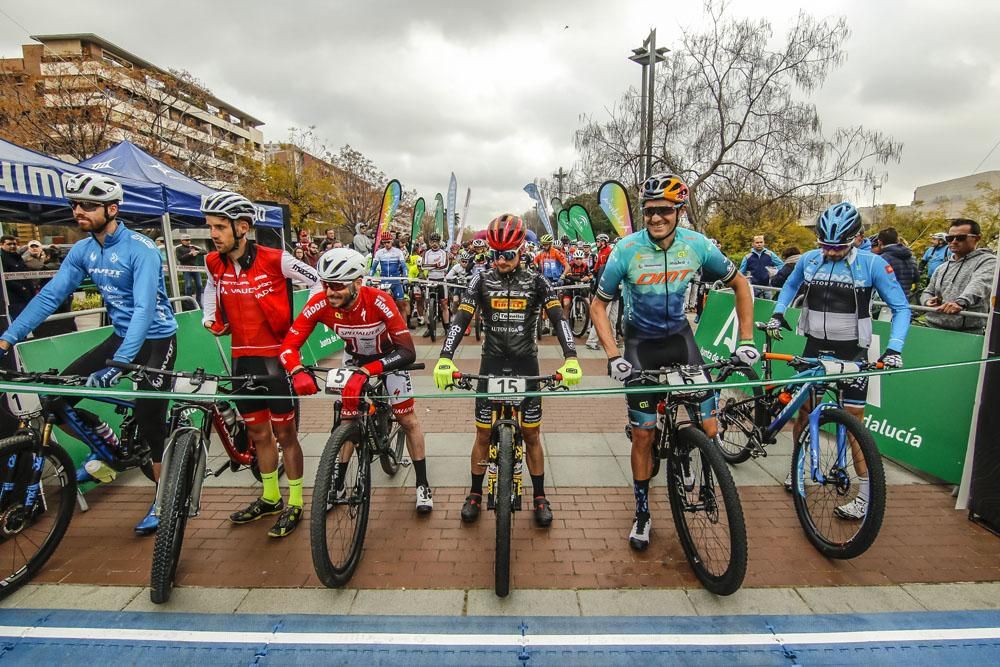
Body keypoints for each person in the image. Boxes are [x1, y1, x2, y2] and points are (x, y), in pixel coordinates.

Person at [0, 173, 178, 535]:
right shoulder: (83, 250)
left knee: (149, 416)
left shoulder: (141, 249)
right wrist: (7, 339)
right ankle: (105, 448)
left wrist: (118, 366)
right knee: (56, 398)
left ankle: (164, 498)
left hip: (157, 338)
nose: (78, 211)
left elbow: (144, 311)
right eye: (74, 205)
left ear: (112, 209)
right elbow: (50, 296)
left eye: (87, 205)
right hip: (119, 336)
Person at [590, 173, 758, 551]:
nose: (656, 218)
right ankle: (643, 512)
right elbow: (598, 306)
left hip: (682, 341)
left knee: (710, 425)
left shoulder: (698, 245)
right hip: (640, 346)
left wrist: (746, 341)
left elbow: (741, 285)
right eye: (649, 211)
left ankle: (702, 468)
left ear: (679, 210)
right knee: (645, 435)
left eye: (664, 210)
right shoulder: (626, 250)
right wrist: (614, 356)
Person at [764, 201, 911, 520]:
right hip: (814, 345)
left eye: (838, 247)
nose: (830, 252)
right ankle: (798, 467)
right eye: (824, 245)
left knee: (854, 420)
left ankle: (866, 495)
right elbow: (790, 285)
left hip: (853, 351)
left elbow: (901, 308)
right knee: (803, 411)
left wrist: (895, 348)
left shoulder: (873, 264)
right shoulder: (809, 259)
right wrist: (778, 313)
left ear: (857, 237)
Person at [433, 214, 582, 527]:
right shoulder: (481, 280)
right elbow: (460, 318)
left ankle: (540, 495)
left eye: (508, 255)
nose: (500, 261)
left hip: (526, 364)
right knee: (483, 434)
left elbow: (559, 320)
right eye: (495, 255)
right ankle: (474, 492)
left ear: (521, 251)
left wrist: (571, 357)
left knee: (531, 434)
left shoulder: (537, 281)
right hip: (492, 364)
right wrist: (445, 356)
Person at [201, 191, 320, 538]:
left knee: (286, 435)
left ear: (243, 227)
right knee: (257, 433)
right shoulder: (214, 262)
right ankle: (270, 497)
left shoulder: (277, 258)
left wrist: (300, 328)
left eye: (220, 227)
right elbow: (210, 288)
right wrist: (210, 316)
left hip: (274, 359)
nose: (214, 234)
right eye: (211, 227)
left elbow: (318, 282)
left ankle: (295, 501)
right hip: (242, 359)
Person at [280, 248, 433, 512]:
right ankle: (337, 482)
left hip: (388, 358)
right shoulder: (320, 302)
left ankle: (422, 484)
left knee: (407, 419)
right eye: (327, 284)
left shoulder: (379, 300)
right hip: (353, 360)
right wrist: (296, 370)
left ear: (357, 283)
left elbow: (408, 351)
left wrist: (370, 370)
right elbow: (288, 346)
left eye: (338, 286)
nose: (330, 292)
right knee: (347, 419)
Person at [919, 218, 996, 334]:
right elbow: (927, 291)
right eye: (949, 238)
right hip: (931, 327)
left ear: (977, 238)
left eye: (960, 238)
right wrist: (927, 301)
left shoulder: (988, 261)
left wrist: (960, 302)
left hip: (966, 333)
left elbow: (980, 284)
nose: (953, 241)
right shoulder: (942, 267)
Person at [370, 230, 410, 321]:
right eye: (384, 243)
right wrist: (369, 278)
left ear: (392, 241)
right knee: (382, 306)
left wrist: (405, 278)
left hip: (395, 281)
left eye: (388, 242)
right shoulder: (379, 252)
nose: (386, 244)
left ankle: (404, 326)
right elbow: (373, 268)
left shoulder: (398, 252)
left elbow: (404, 267)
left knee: (401, 305)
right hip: (384, 281)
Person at [421, 233, 451, 337]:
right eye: (432, 241)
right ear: (429, 242)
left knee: (444, 304)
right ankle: (429, 328)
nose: (434, 244)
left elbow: (445, 266)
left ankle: (447, 327)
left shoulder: (444, 253)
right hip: (430, 279)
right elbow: (423, 266)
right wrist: (435, 265)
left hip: (441, 279)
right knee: (427, 305)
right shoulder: (426, 253)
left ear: (439, 242)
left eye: (436, 241)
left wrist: (431, 266)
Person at [1, 235, 35, 321]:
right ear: (1, 244)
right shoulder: (2, 259)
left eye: (14, 244)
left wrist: (31, 289)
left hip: (26, 295)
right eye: (9, 244)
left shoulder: (18, 257)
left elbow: (26, 274)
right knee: (19, 320)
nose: (12, 246)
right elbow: (5, 279)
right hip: (13, 298)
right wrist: (21, 288)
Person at [875, 228, 917, 296]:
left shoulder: (882, 259)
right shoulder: (911, 257)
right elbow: (916, 278)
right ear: (897, 240)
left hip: (887, 300)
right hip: (906, 298)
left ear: (880, 242)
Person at [175, 233, 205, 304]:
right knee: (188, 286)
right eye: (186, 240)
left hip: (195, 268)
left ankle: (198, 302)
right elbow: (180, 258)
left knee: (199, 285)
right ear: (182, 241)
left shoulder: (193, 247)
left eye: (189, 240)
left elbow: (204, 251)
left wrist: (197, 252)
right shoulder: (178, 248)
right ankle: (189, 303)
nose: (188, 241)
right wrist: (189, 254)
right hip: (186, 269)